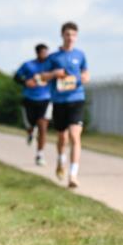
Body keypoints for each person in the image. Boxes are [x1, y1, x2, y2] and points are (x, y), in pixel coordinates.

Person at [40, 22, 89, 189]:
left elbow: (86, 74)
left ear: (76, 37)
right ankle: (61, 161)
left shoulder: (80, 55)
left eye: (73, 35)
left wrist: (81, 78)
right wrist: (54, 74)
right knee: (62, 137)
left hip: (77, 98)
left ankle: (73, 175)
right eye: (67, 34)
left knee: (75, 136)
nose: (70, 38)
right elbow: (42, 77)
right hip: (59, 101)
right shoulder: (53, 57)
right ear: (62, 35)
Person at [15, 44, 53, 166]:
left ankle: (40, 154)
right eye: (43, 52)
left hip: (46, 99)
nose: (45, 55)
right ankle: (30, 132)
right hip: (29, 99)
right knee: (30, 125)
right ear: (37, 53)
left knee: (43, 127)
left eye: (46, 52)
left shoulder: (51, 65)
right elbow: (16, 77)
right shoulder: (28, 65)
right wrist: (26, 82)